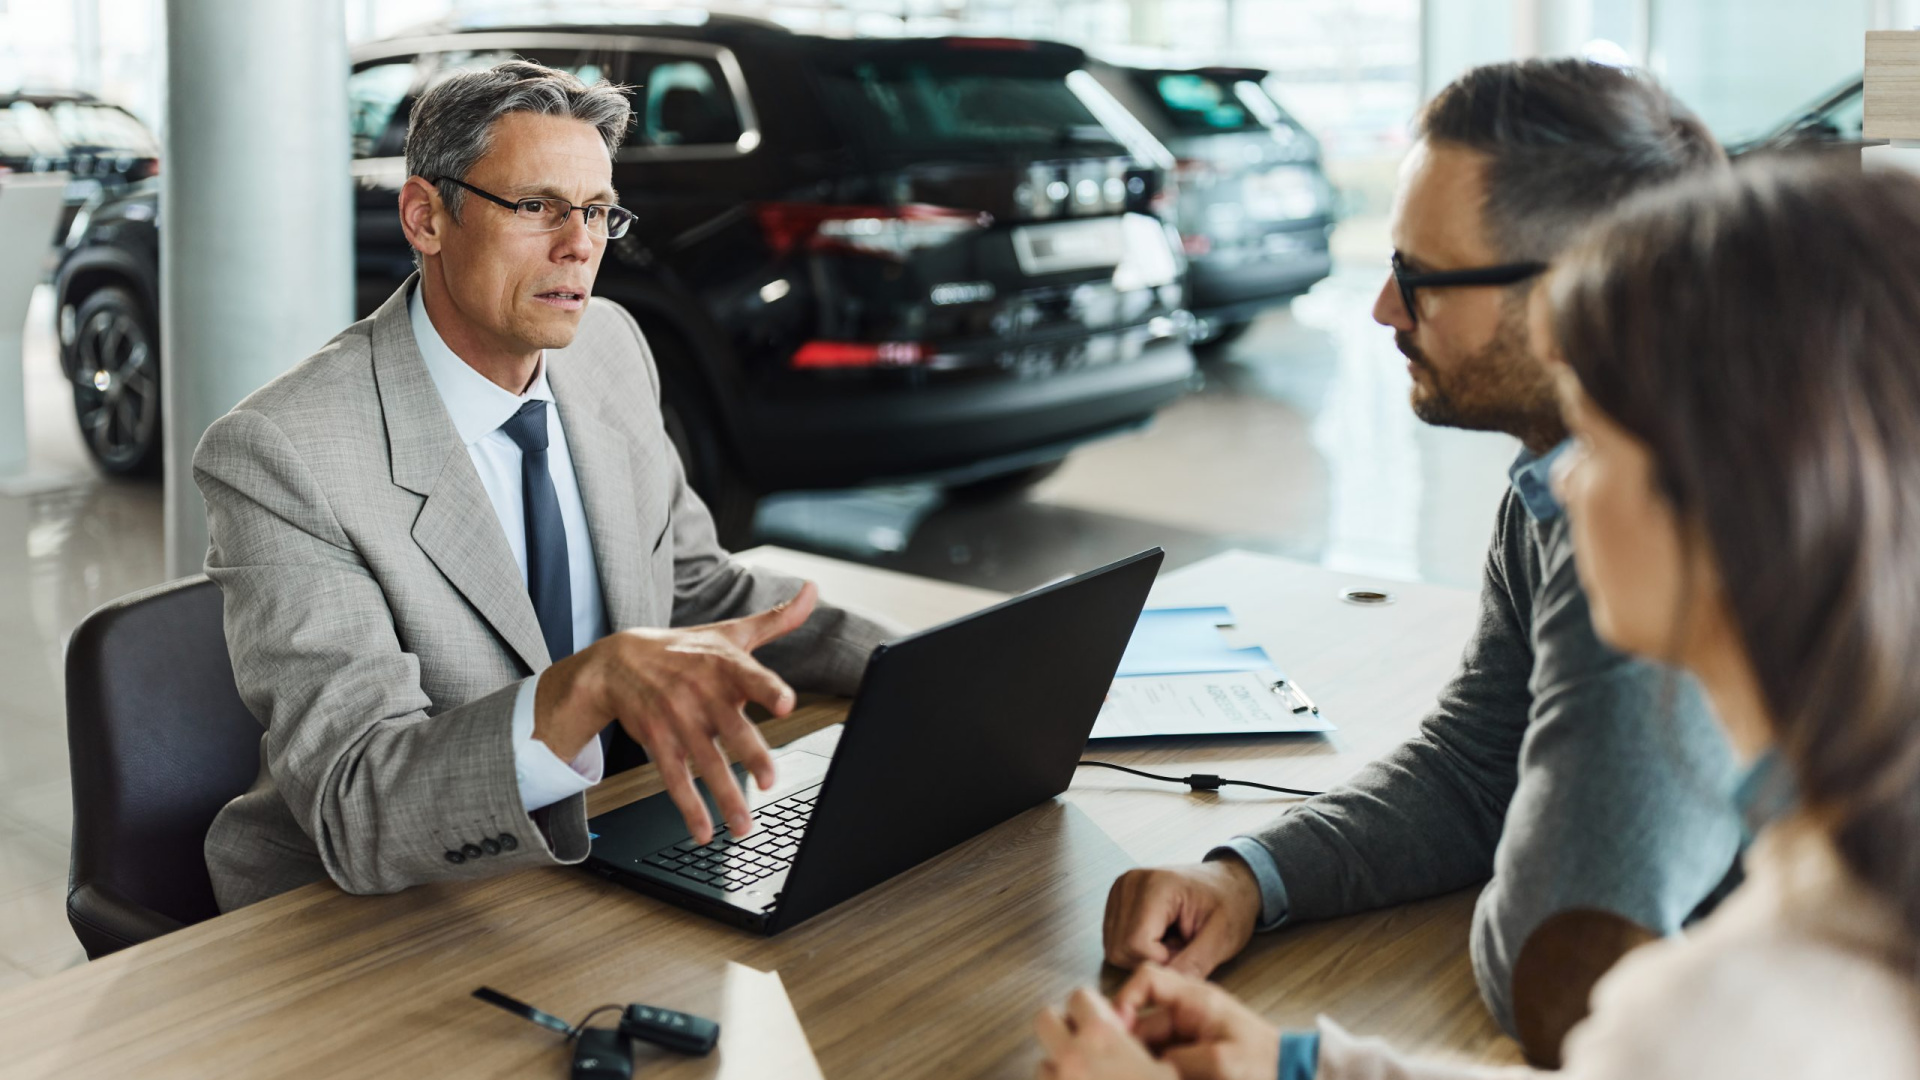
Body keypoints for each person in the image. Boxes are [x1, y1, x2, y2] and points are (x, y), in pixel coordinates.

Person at [1037, 157, 1920, 1080]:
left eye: (1596, 435)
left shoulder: (1733, 1009)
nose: (1560, 478)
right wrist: (1303, 1067)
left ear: (1729, 492)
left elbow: (1576, 1001)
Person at [1101, 59, 1742, 1064]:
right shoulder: (1558, 464)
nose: (1385, 312)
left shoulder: (1662, 523)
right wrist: (1247, 880)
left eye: (1424, 280)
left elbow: (1546, 973)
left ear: (1577, 296)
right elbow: (1474, 766)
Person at [194, 61, 896, 912]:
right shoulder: (284, 453)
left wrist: (908, 671)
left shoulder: (606, 344)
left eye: (597, 211)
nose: (580, 245)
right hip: (367, 910)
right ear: (426, 217)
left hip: (603, 841)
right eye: (536, 207)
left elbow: (694, 586)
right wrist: (586, 687)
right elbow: (359, 803)